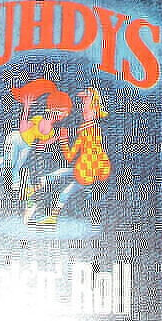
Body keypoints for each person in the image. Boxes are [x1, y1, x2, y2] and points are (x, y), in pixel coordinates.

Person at [24, 87, 111, 227]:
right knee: (60, 175)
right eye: (83, 108)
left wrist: (64, 140)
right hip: (84, 169)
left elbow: (73, 156)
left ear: (95, 111)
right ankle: (36, 193)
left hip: (88, 173)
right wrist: (64, 139)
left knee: (65, 189)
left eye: (87, 109)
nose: (83, 111)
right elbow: (73, 155)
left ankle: (45, 206)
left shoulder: (91, 131)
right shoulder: (87, 130)